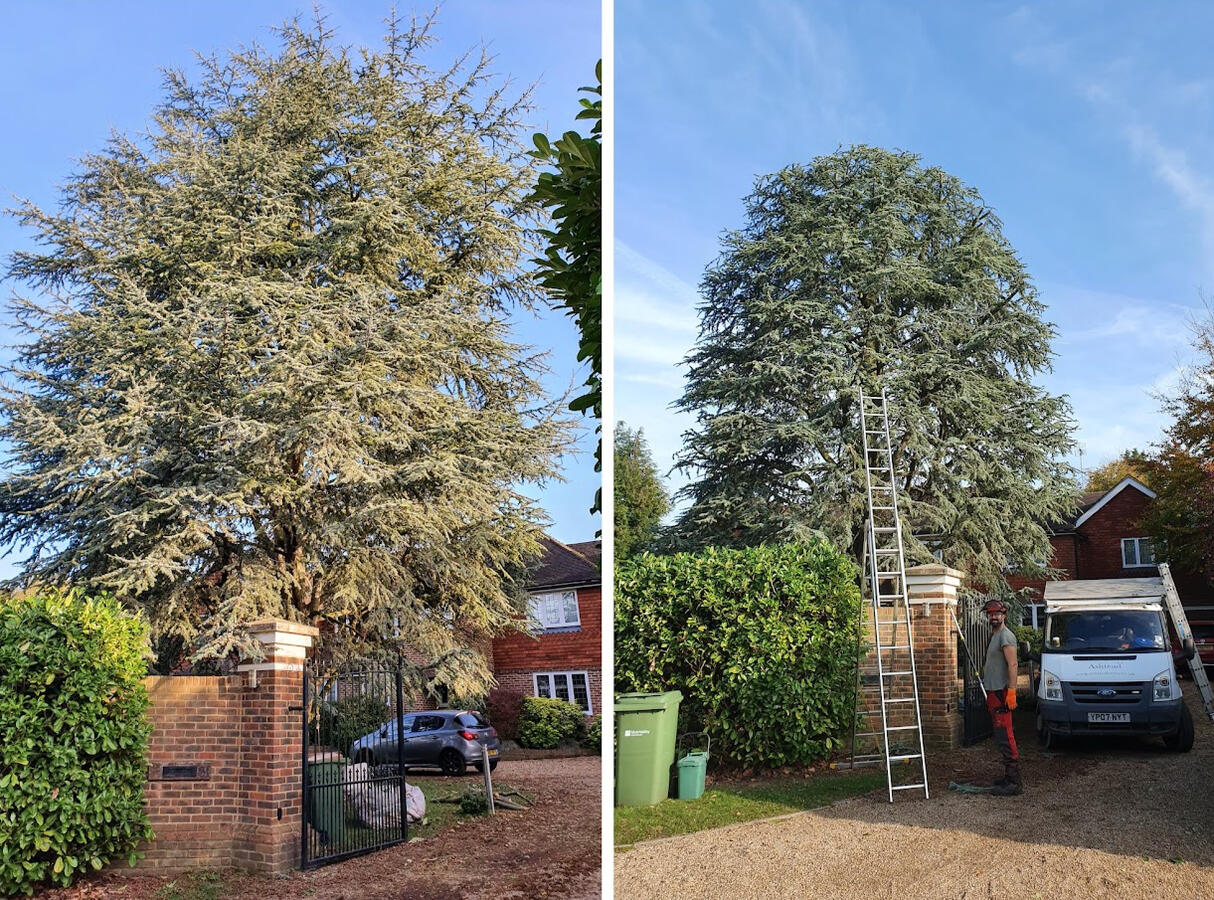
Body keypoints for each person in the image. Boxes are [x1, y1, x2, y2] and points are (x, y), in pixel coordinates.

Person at [982, 598, 1021, 796]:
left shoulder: (1006, 636)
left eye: (997, 613)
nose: (993, 617)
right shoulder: (995, 635)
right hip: (993, 692)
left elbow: (1013, 665)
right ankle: (1008, 776)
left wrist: (1012, 691)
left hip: (1001, 692)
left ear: (1004, 615)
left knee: (1005, 734)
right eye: (990, 614)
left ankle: (1014, 782)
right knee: (1000, 734)